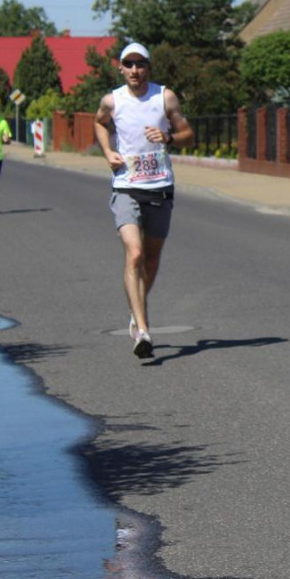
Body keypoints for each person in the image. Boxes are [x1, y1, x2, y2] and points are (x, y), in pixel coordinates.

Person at [94, 42, 193, 358]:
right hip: (126, 186)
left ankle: (135, 313)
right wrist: (108, 152)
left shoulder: (165, 97)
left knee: (150, 259)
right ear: (120, 67)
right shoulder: (112, 100)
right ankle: (143, 330)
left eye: (140, 64)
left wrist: (168, 137)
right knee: (134, 254)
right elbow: (98, 123)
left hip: (160, 186)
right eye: (129, 64)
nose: (135, 70)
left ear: (148, 67)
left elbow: (188, 133)